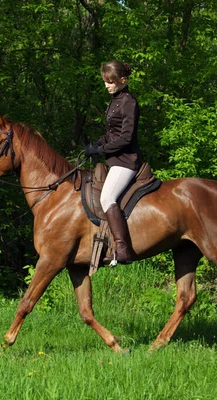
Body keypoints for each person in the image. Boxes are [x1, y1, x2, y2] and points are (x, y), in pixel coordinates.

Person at [84, 60, 142, 264]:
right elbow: (112, 132)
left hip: (125, 160)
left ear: (122, 80)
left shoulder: (129, 102)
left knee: (107, 198)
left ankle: (123, 250)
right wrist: (95, 144)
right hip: (114, 158)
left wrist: (101, 150)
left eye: (110, 82)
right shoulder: (115, 99)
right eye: (105, 82)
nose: (106, 86)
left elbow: (125, 137)